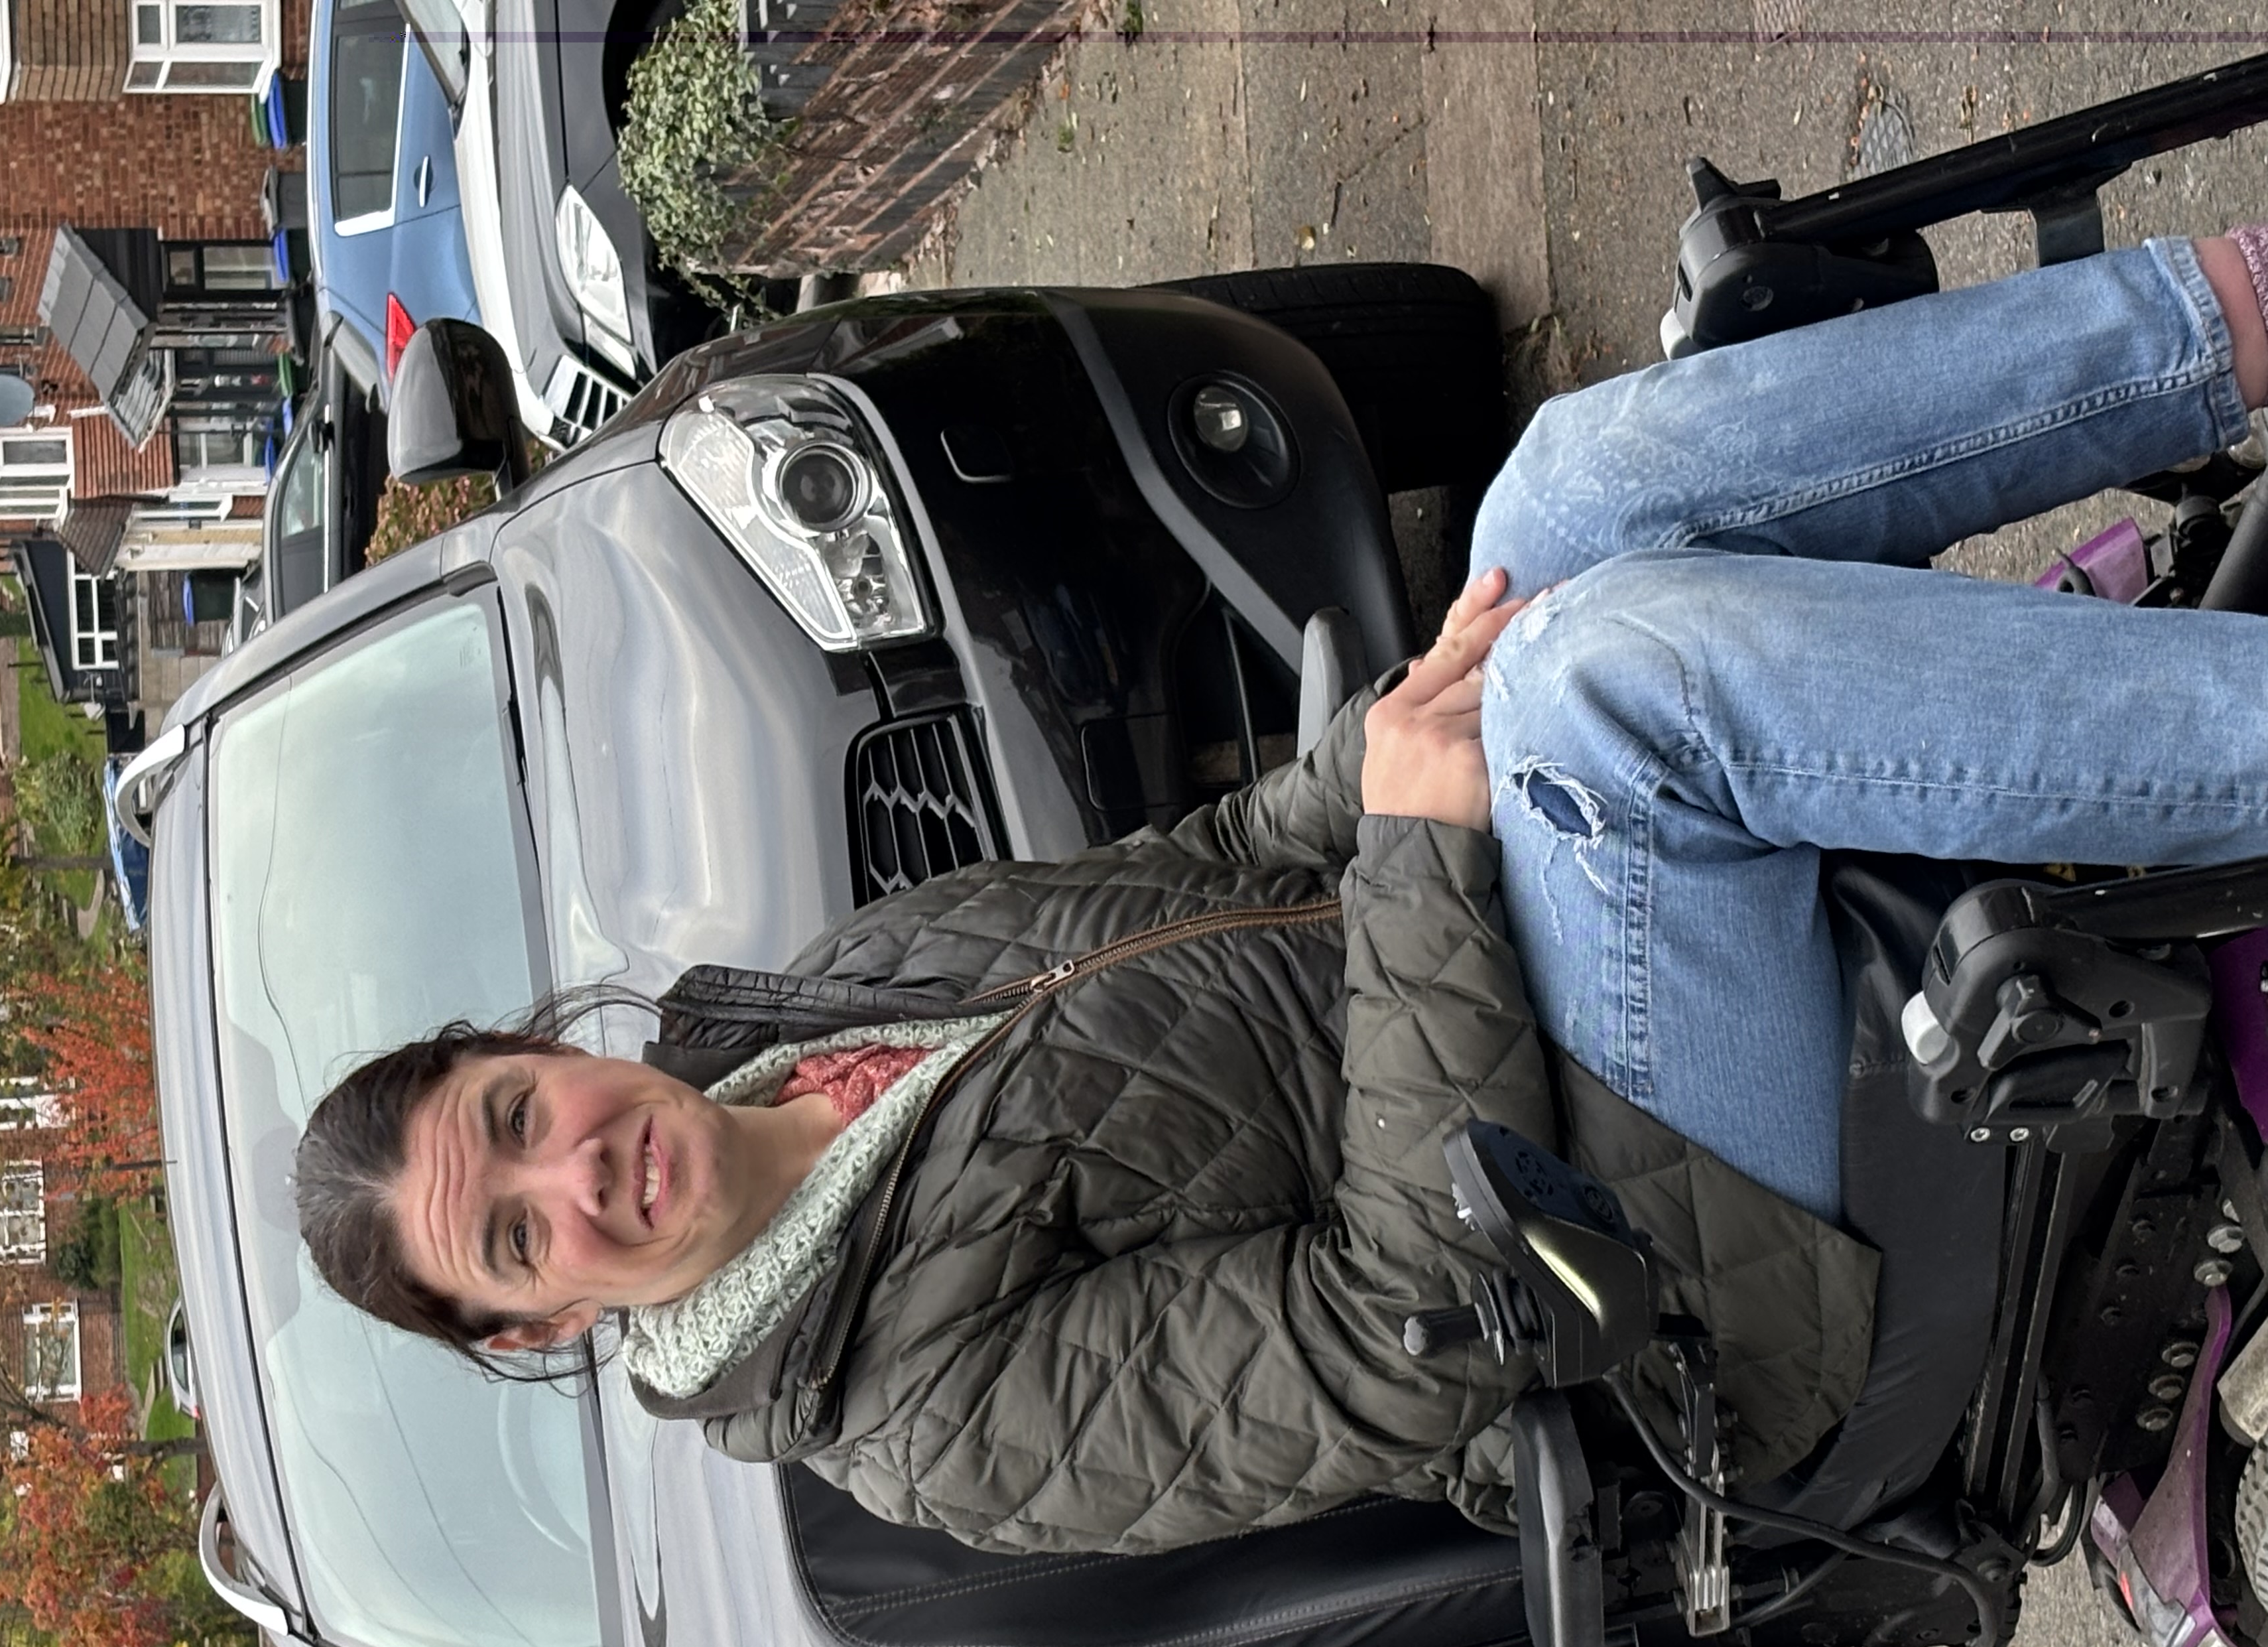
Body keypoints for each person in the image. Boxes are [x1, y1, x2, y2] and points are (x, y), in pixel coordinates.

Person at [295, 230, 2268, 1555]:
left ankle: (2225, 323)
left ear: (533, 1053)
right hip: (1665, 1278)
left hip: (1537, 991)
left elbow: (1222, 864)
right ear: (538, 1330)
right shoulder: (924, 1425)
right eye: (522, 1240)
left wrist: (1393, 737)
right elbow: (1409, 1321)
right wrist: (1422, 840)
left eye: (518, 1117)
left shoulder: (830, 1004)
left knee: (1548, 516)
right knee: (1605, 691)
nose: (582, 1174)